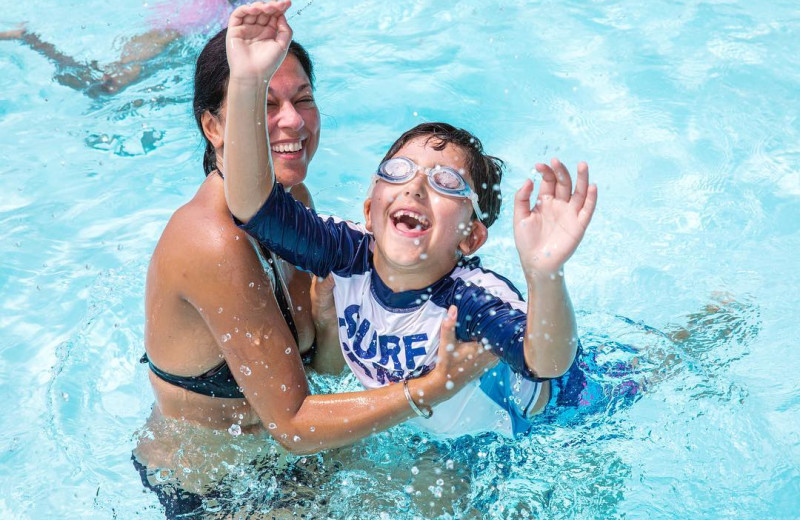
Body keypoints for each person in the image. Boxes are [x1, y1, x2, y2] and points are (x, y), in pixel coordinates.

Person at [134, 24, 494, 519]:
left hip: (295, 460)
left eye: (302, 99)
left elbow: (322, 370)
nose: (292, 122)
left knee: (463, 488)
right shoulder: (211, 243)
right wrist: (433, 386)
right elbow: (294, 421)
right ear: (215, 127)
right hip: (216, 492)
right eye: (265, 102)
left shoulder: (292, 205)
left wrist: (331, 319)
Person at [222, 1, 598, 437]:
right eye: (399, 172)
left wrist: (545, 274)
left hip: (560, 422)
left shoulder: (470, 302)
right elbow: (253, 208)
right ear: (368, 210)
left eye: (446, 183)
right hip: (440, 431)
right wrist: (248, 80)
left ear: (471, 237)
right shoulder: (346, 255)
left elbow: (546, 361)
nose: (415, 188)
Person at [0, 1, 246, 97]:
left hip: (169, 39)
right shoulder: (215, 13)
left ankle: (30, 39)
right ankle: (30, 38)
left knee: (98, 85)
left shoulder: (211, 10)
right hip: (165, 42)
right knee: (99, 85)